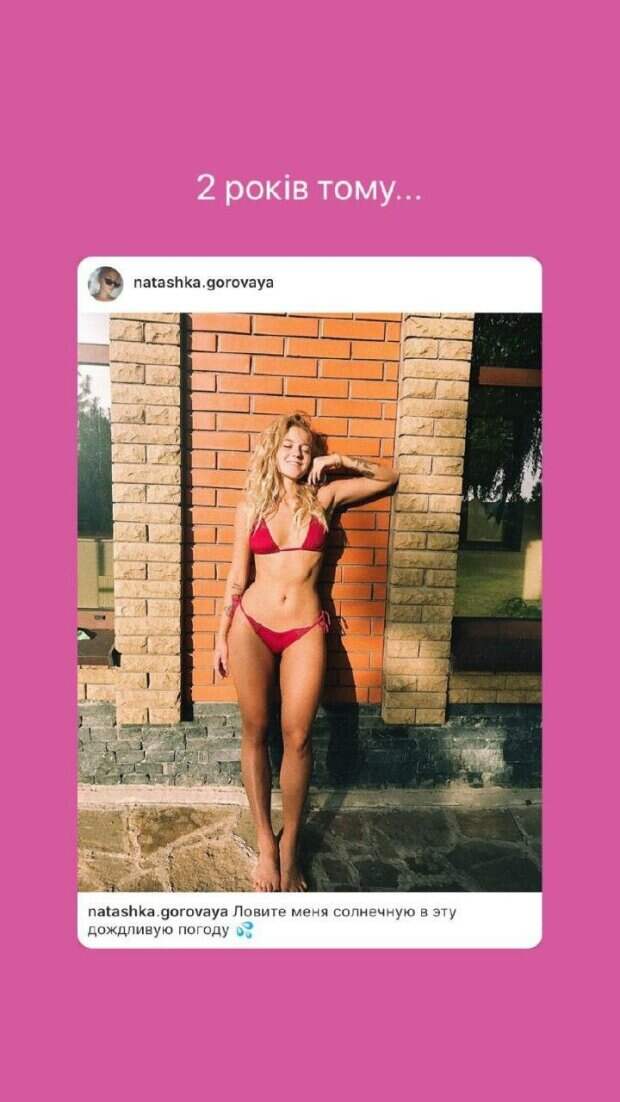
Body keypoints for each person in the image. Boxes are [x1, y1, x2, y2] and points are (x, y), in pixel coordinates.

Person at [213, 412, 399, 891]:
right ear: (273, 452)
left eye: (305, 448)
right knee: (255, 730)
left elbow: (388, 477)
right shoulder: (252, 504)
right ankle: (265, 844)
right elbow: (237, 575)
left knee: (298, 737)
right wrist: (221, 634)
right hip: (251, 627)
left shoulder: (325, 498)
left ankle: (290, 848)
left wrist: (337, 460)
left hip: (304, 629)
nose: (298, 454)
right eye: (289, 446)